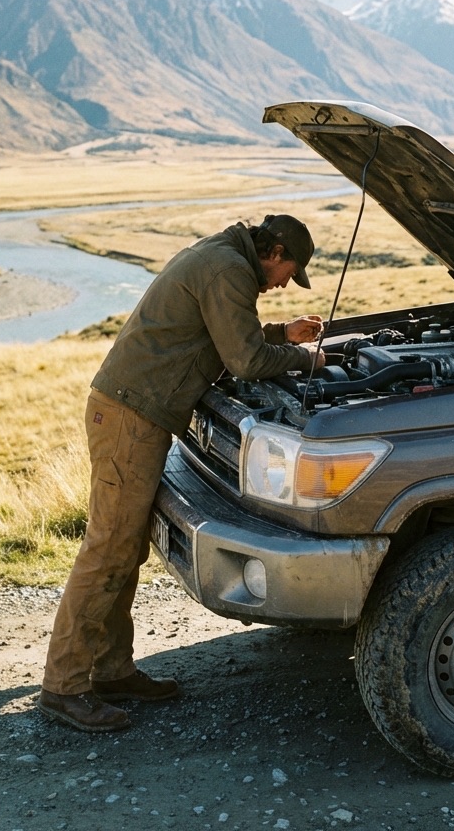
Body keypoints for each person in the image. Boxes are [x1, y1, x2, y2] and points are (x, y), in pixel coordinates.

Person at [39, 213, 325, 732]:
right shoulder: (228, 270)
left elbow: (221, 332)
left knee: (125, 546)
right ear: (275, 251)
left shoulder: (223, 257)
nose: (285, 282)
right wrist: (306, 360)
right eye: (290, 270)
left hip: (134, 412)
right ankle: (64, 687)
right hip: (131, 418)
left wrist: (282, 331)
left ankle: (110, 670)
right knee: (108, 547)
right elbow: (244, 359)